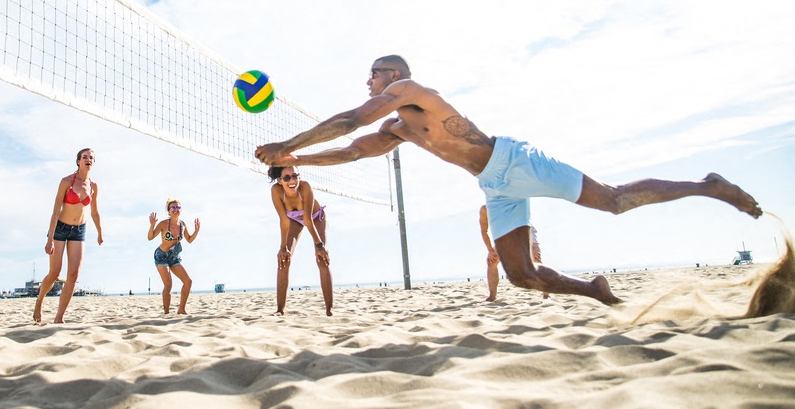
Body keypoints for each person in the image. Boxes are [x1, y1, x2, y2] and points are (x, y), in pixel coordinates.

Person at [255, 55, 762, 305]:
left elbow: (350, 121)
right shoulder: (397, 129)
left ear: (393, 75)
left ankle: (708, 185)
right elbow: (351, 149)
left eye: (374, 73)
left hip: (515, 161)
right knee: (521, 276)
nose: (368, 80)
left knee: (612, 201)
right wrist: (296, 165)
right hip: (494, 187)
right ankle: (597, 291)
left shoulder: (411, 91)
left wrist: (289, 146)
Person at [34, 148, 103, 324]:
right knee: (54, 273)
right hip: (60, 228)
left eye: (91, 158)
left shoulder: (94, 187)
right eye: (85, 157)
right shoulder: (66, 181)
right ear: (78, 161)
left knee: (73, 274)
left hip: (79, 230)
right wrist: (49, 239)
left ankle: (59, 317)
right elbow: (56, 211)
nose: (88, 160)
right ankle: (39, 301)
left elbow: (94, 212)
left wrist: (100, 232)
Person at [269, 166, 334, 316]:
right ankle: (280, 310)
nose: (292, 180)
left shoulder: (305, 187)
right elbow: (284, 220)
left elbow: (308, 219)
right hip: (293, 220)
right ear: (279, 181)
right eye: (286, 178)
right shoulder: (276, 191)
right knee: (284, 259)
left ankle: (329, 310)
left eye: (294, 176)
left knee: (321, 259)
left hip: (316, 218)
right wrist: (283, 247)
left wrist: (319, 246)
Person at [480, 204, 548, 301]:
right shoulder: (485, 209)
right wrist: (490, 250)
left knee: (535, 258)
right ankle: (492, 296)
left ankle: (546, 293)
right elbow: (484, 231)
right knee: (492, 262)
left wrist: (533, 246)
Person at [147, 199, 200, 315]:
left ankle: (181, 309)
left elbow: (189, 239)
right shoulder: (164, 224)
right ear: (169, 211)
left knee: (188, 281)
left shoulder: (182, 224)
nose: (176, 210)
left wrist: (196, 231)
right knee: (168, 285)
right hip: (161, 256)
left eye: (178, 207)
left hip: (174, 256)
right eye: (173, 208)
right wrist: (152, 226)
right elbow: (150, 237)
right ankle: (166, 312)